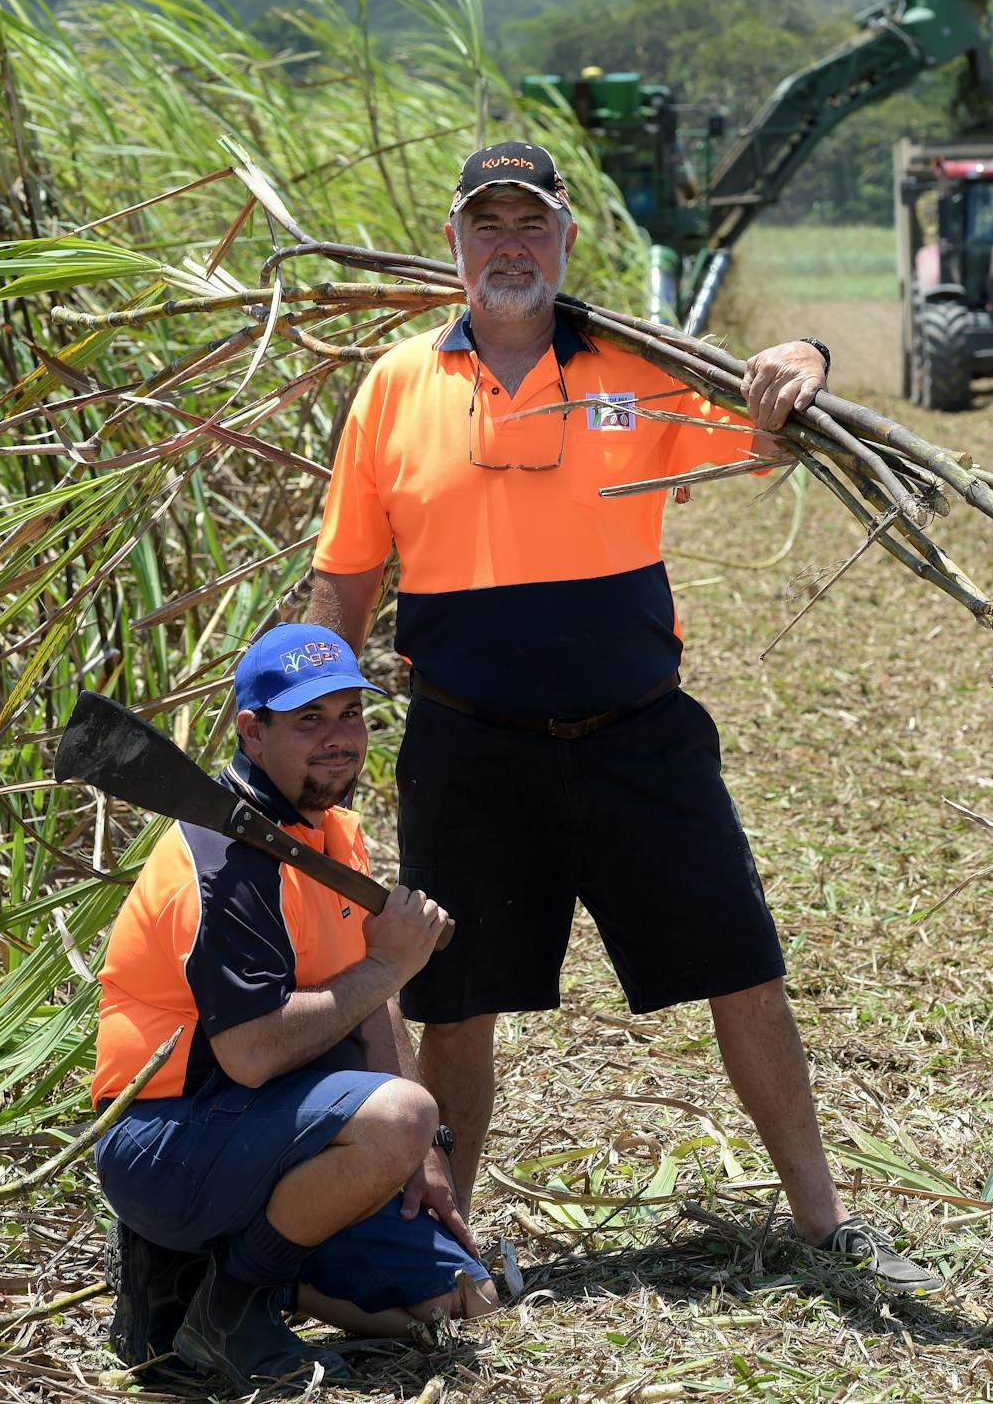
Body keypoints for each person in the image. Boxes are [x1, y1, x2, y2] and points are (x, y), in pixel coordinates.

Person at [308, 140, 941, 1296]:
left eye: (530, 223)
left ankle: (823, 1226)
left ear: (565, 239)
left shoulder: (634, 369)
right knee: (458, 1009)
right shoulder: (396, 387)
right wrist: (308, 726)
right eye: (487, 223)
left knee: (744, 969)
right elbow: (346, 579)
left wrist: (803, 356)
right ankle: (443, 1249)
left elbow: (762, 427)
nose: (509, 244)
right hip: (469, 748)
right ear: (454, 241)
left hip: (639, 734)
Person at [91, 624, 498, 1393]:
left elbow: (371, 1001)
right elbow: (248, 1054)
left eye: (351, 715)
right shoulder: (222, 861)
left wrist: (427, 1156)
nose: (339, 739)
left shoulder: (331, 831)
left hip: (265, 1125)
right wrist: (390, 966)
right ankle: (229, 1305)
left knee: (459, 1299)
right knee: (398, 1112)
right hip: (164, 1136)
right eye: (310, 720)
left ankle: (217, 1277)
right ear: (253, 728)